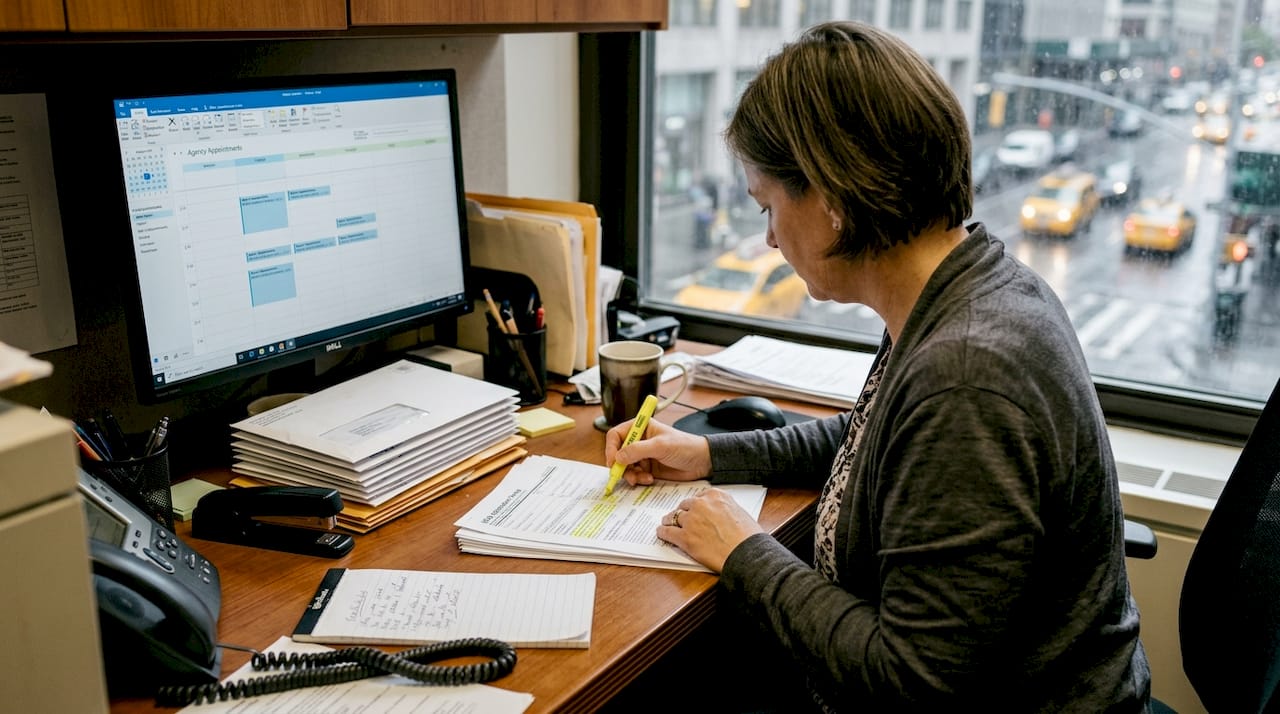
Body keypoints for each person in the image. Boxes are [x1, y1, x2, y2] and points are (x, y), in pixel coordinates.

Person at [605, 21, 1150, 713]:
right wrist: (708, 453)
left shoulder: (968, 374)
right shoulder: (964, 288)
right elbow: (872, 441)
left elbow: (911, 683)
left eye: (769, 204)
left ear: (831, 198)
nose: (769, 237)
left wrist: (744, 552)